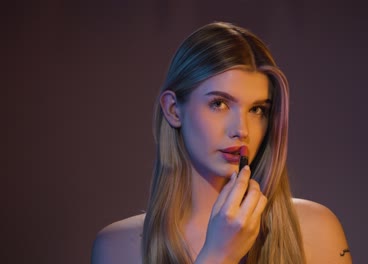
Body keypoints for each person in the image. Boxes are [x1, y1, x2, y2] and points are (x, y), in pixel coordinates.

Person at [91, 21, 352, 264]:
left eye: (257, 109)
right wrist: (219, 254)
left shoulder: (315, 229)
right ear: (173, 110)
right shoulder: (117, 247)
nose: (241, 130)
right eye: (219, 104)